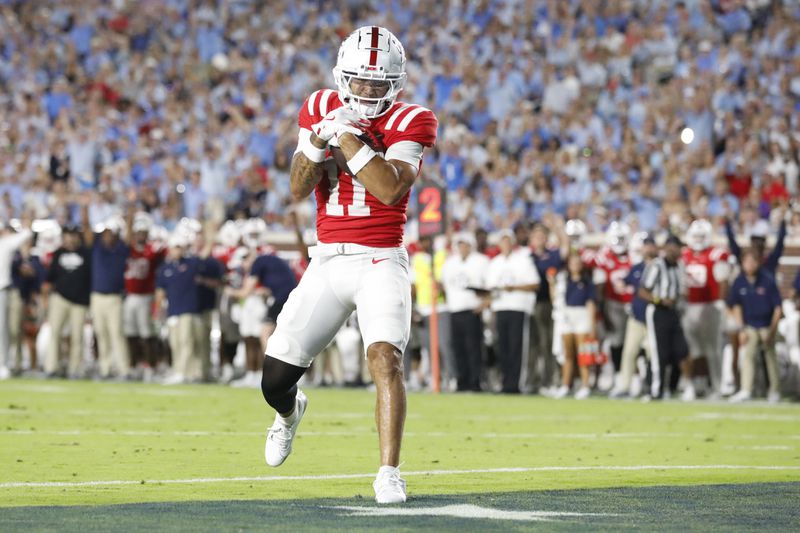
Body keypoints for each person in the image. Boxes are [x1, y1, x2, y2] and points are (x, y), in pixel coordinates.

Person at [258, 26, 437, 504]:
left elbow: (389, 188)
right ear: (343, 77)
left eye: (376, 85)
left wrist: (349, 138)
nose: (366, 92)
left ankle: (388, 472)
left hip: (382, 258)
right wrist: (317, 143)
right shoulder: (318, 106)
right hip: (328, 260)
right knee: (273, 379)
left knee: (385, 358)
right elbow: (298, 188)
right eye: (358, 82)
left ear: (394, 85)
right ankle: (289, 412)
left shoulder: (412, 119)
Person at [680, 219, 730, 400]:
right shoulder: (684, 254)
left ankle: (717, 386)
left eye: (702, 236)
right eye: (696, 236)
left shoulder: (716, 254)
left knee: (713, 349)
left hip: (710, 305)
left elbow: (723, 281)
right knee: (692, 349)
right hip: (689, 306)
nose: (699, 239)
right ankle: (696, 385)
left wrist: (721, 302)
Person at [486, 230, 540, 394]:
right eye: (502, 241)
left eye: (508, 241)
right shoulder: (495, 263)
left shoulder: (523, 260)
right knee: (502, 348)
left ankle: (516, 384)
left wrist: (513, 287)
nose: (505, 244)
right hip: (500, 307)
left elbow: (534, 284)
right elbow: (490, 288)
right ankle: (505, 383)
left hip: (518, 307)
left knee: (517, 347)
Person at [726, 249, 782, 403]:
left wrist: (772, 330)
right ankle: (746, 389)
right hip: (749, 325)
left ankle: (775, 390)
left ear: (758, 263)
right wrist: (741, 328)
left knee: (770, 356)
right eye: (746, 262)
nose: (749, 265)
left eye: (752, 261)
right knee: (747, 355)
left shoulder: (768, 279)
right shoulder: (739, 281)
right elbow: (735, 306)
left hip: (766, 324)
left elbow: (778, 307)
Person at [640, 235, 689, 400]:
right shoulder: (657, 265)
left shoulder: (680, 266)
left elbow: (681, 289)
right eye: (673, 246)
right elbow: (643, 291)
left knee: (681, 350)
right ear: (667, 247)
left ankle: (675, 386)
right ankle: (655, 390)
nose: (676, 250)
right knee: (658, 353)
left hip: (673, 311)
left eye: (678, 247)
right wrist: (659, 300)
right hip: (657, 311)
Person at [440, 232, 489, 392]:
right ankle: (462, 381)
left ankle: (475, 381)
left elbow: (488, 286)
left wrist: (484, 304)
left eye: (465, 244)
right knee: (457, 347)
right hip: (455, 309)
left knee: (473, 348)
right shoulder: (450, 263)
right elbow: (444, 285)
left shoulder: (481, 261)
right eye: (460, 244)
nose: (462, 248)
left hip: (472, 310)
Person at [43, 223, 92, 378]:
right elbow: (49, 279)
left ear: (78, 237)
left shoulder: (86, 253)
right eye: (67, 235)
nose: (70, 238)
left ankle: (74, 369)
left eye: (73, 235)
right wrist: (45, 299)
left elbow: (91, 278)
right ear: (63, 237)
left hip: (80, 301)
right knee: (55, 333)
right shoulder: (58, 253)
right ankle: (51, 367)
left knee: (77, 336)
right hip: (60, 298)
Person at [611, 233, 656, 399]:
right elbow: (624, 282)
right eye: (646, 245)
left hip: (654, 318)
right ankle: (625, 386)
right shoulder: (636, 268)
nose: (649, 248)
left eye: (651, 245)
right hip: (636, 317)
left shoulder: (659, 267)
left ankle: (652, 386)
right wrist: (620, 284)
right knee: (629, 352)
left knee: (653, 355)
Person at [123, 212, 166, 382]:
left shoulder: (152, 250)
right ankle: (135, 365)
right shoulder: (128, 250)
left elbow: (163, 251)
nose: (141, 235)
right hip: (130, 296)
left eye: (143, 232)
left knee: (147, 334)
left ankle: (151, 366)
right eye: (138, 232)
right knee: (131, 334)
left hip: (146, 297)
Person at [89, 213, 132, 380]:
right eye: (105, 233)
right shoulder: (97, 247)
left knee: (117, 334)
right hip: (97, 297)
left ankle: (124, 369)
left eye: (110, 233)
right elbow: (86, 228)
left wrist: (130, 213)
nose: (107, 236)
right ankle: (105, 369)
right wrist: (84, 206)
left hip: (114, 298)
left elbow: (128, 237)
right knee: (101, 334)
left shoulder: (120, 249)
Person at [551, 252, 596, 400]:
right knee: (568, 354)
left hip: (581, 315)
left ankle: (585, 385)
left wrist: (592, 325)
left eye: (578, 263)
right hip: (567, 315)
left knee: (583, 354)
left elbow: (590, 303)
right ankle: (565, 385)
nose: (575, 266)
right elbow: (555, 299)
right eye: (572, 263)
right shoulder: (564, 281)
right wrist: (552, 283)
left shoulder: (587, 282)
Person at [527, 222, 566, 394]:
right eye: (536, 236)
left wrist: (558, 228)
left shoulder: (552, 255)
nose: (539, 239)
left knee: (549, 343)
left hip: (549, 303)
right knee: (533, 345)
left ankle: (549, 380)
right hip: (530, 304)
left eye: (542, 236)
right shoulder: (527, 257)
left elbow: (565, 249)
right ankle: (532, 380)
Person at [0, 220, 33, 379]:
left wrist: (28, 220)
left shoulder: (5, 243)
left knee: (3, 330)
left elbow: (26, 233)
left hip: (3, 290)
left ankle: (4, 364)